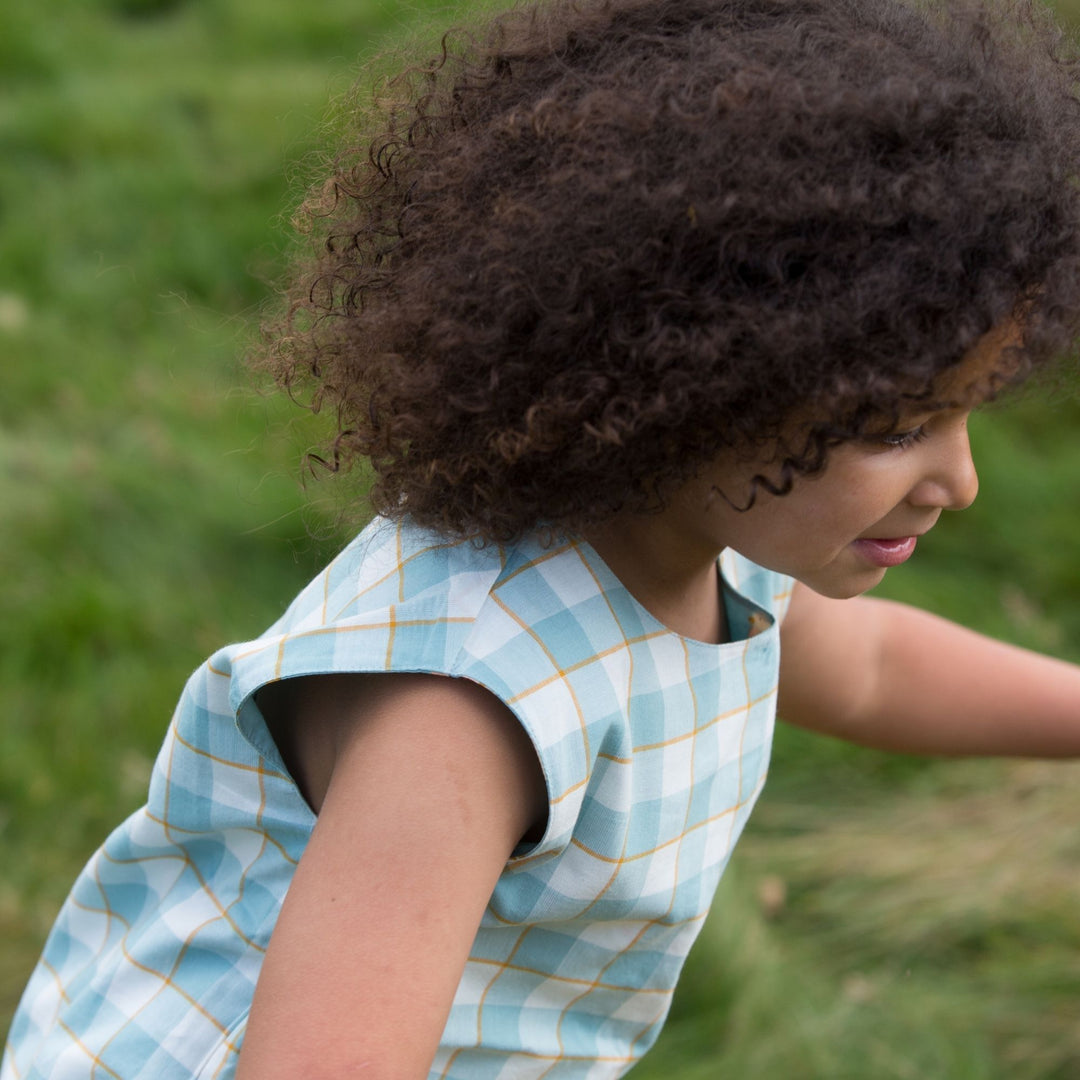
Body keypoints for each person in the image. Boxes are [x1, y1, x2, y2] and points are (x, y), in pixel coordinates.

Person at [5, 0, 1080, 1075]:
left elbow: (876, 672)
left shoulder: (714, 544)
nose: (962, 482)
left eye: (967, 413)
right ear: (700, 384)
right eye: (896, 428)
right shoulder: (468, 708)